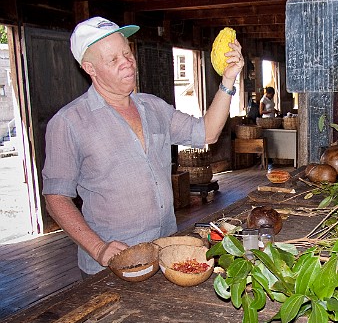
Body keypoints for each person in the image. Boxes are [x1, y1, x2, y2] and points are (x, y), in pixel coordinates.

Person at [41, 17, 244, 277]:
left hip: (165, 253)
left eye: (127, 52)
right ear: (89, 68)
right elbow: (56, 198)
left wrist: (228, 80)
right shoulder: (69, 122)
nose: (127, 62)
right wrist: (98, 248)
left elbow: (207, 132)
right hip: (111, 265)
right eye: (113, 59)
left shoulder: (153, 107)